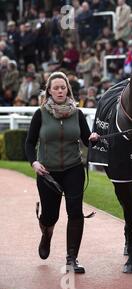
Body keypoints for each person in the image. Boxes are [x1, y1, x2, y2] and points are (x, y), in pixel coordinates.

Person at [25, 72, 98, 274]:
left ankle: (71, 258)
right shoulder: (41, 114)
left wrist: (93, 137)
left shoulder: (78, 114)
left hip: (74, 169)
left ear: (68, 90)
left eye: (63, 87)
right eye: (55, 87)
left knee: (75, 212)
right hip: (47, 172)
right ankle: (46, 235)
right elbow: (30, 143)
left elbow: (86, 139)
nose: (59, 91)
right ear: (49, 90)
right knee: (50, 216)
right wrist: (34, 162)